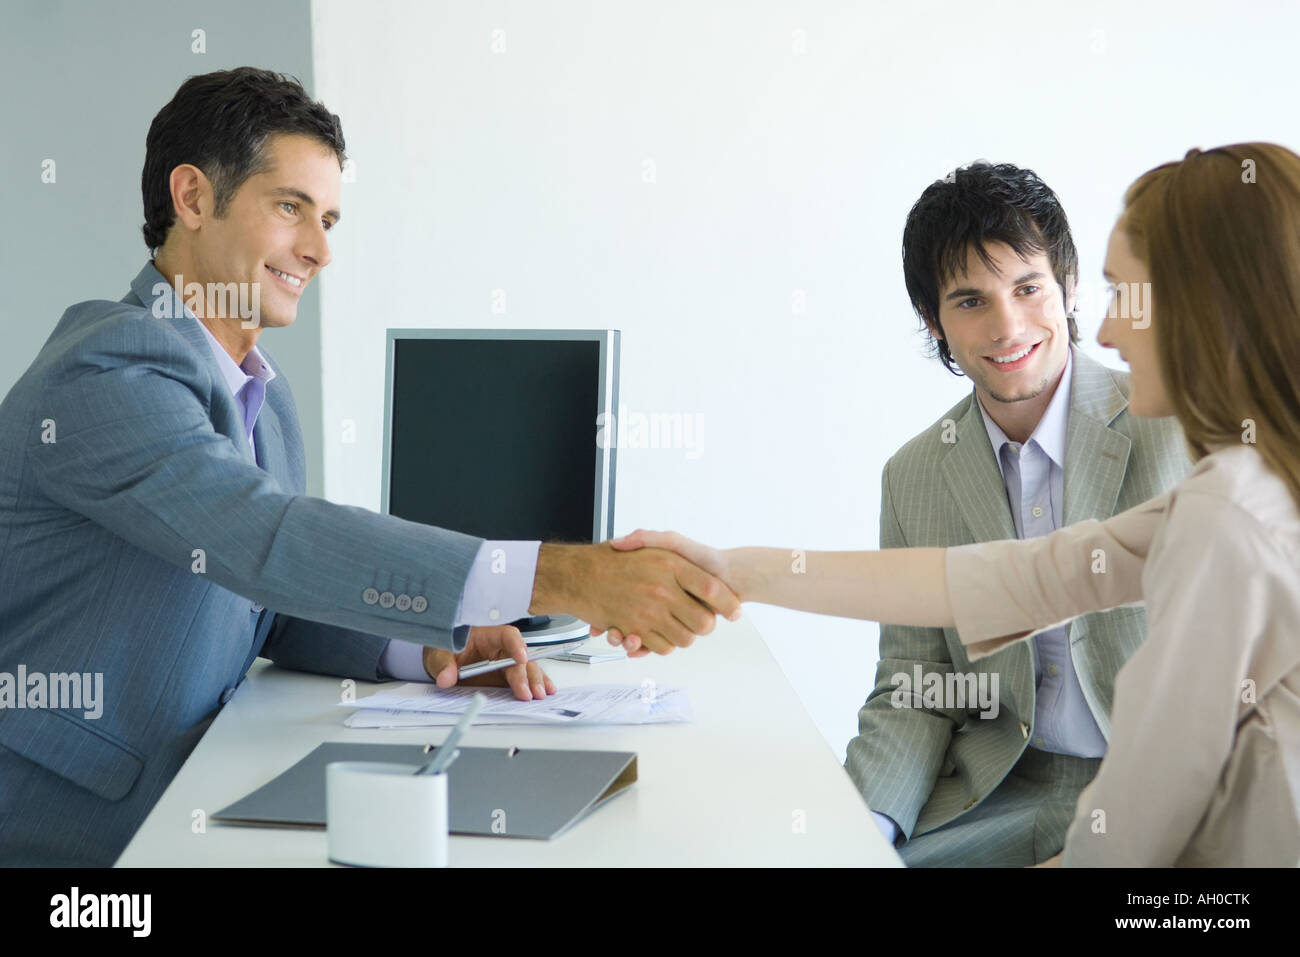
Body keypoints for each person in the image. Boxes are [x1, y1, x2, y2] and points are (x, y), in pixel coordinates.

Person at [0, 67, 738, 867]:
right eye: (290, 208)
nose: (318, 249)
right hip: (70, 833)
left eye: (328, 218)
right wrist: (563, 576)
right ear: (193, 197)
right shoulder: (107, 370)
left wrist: (420, 650)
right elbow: (263, 538)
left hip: (199, 794)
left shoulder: (263, 401)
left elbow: (265, 601)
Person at [601, 142, 1300, 867]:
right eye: (971, 301)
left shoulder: (1223, 500)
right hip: (1009, 803)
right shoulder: (1237, 490)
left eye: (1124, 296)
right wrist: (731, 568)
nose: (1106, 331)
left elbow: (1140, 813)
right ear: (934, 320)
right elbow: (1004, 581)